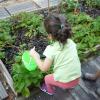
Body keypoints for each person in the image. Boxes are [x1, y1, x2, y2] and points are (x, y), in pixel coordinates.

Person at [30, 14, 81, 95]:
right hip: (77, 77)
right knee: (64, 76)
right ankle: (69, 86)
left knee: (46, 78)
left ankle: (50, 91)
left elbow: (44, 69)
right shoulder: (71, 42)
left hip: (66, 82)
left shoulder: (51, 49)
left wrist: (35, 56)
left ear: (50, 36)